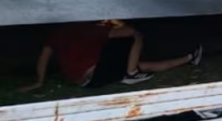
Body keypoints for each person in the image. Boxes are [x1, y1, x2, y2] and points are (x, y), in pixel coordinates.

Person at [21, 20, 202, 91]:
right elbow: (130, 31)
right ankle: (131, 73)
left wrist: (39, 81)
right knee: (134, 36)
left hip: (83, 81)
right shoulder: (89, 28)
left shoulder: (57, 34)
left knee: (141, 64)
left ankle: (190, 58)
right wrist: (115, 23)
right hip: (97, 74)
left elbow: (43, 59)